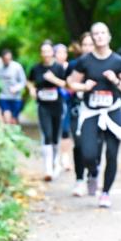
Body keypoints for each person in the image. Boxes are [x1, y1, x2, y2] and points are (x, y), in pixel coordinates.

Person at [67, 23, 121, 208]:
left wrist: (115, 80)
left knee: (112, 153)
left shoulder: (118, 61)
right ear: (92, 37)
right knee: (87, 153)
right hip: (91, 112)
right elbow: (71, 83)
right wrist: (84, 87)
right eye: (95, 33)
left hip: (112, 111)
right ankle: (93, 173)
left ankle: (105, 193)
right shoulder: (85, 61)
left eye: (102, 33)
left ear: (109, 36)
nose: (99, 36)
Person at [27, 42, 68, 180]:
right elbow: (30, 81)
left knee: (55, 136)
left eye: (48, 51)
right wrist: (32, 90)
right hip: (43, 105)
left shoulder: (59, 68)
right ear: (41, 53)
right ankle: (48, 169)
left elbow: (66, 85)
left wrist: (53, 79)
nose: (46, 54)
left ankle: (55, 162)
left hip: (57, 105)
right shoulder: (36, 68)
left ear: (52, 53)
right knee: (47, 134)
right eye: (43, 51)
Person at [66, 35, 95, 196]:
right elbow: (67, 86)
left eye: (91, 44)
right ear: (81, 47)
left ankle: (92, 174)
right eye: (85, 44)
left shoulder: (102, 64)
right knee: (78, 144)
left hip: (96, 110)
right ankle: (79, 179)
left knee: (94, 145)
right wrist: (81, 86)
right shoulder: (73, 65)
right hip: (77, 109)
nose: (88, 48)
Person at [0, 49, 26, 124]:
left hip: (16, 97)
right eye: (6, 59)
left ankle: (14, 129)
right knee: (7, 118)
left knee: (14, 120)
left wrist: (16, 88)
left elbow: (23, 81)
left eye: (9, 59)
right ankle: (7, 129)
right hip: (3, 96)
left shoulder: (17, 67)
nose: (7, 61)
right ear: (2, 59)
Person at [54, 43, 74, 172]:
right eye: (59, 52)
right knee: (55, 130)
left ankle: (65, 157)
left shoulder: (70, 67)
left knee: (66, 129)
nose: (62, 55)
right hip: (53, 102)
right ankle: (55, 158)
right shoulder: (51, 67)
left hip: (68, 101)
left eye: (64, 52)